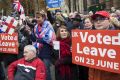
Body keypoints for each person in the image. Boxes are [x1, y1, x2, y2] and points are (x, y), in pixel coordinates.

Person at [89, 10, 120, 80]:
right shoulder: (88, 38)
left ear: (109, 20)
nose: (98, 22)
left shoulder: (117, 37)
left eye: (102, 19)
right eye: (95, 19)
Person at [27, 10, 56, 80]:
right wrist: (30, 33)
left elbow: (49, 39)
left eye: (38, 17)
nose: (37, 19)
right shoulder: (36, 27)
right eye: (36, 17)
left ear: (43, 18)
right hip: (38, 52)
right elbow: (34, 39)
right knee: (40, 70)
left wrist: (38, 40)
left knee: (46, 70)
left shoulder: (48, 26)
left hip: (47, 52)